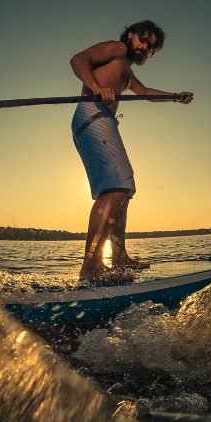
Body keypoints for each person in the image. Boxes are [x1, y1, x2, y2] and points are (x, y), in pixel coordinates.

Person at [70, 20, 193, 282]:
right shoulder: (116, 48)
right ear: (130, 34)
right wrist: (96, 87)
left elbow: (145, 92)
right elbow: (78, 60)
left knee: (123, 190)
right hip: (93, 116)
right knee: (115, 189)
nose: (146, 47)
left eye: (151, 48)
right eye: (144, 39)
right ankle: (91, 268)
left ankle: (118, 258)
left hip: (102, 120)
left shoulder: (127, 71)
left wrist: (174, 96)